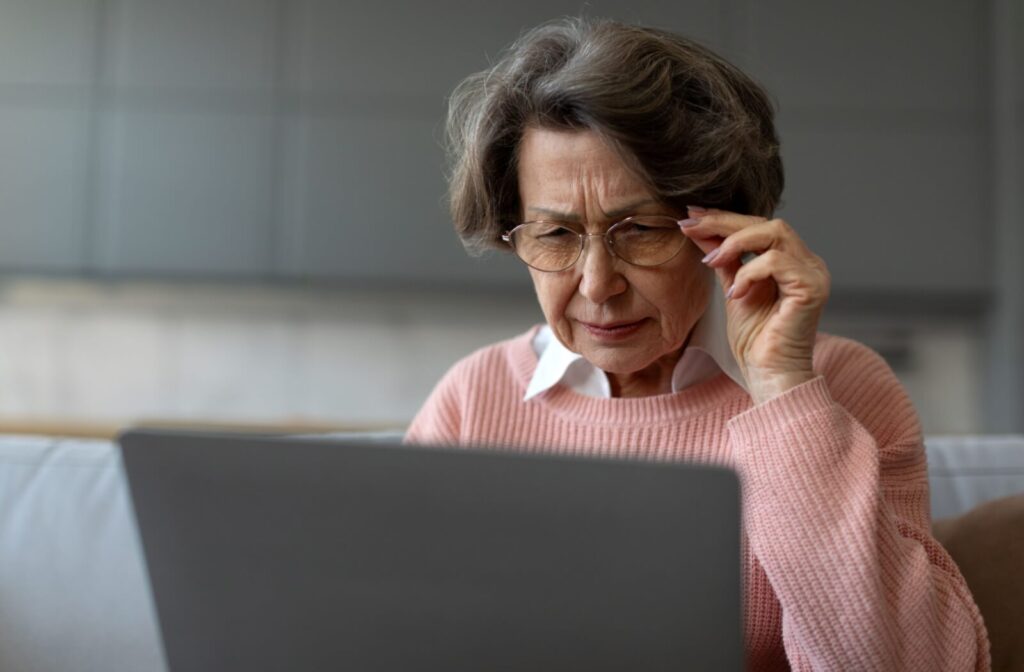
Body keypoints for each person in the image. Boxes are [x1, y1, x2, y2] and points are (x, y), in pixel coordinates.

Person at [405, 17, 990, 671]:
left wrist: (785, 393)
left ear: (725, 226)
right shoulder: (474, 399)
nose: (597, 285)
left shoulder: (845, 388)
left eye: (641, 229)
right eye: (555, 235)